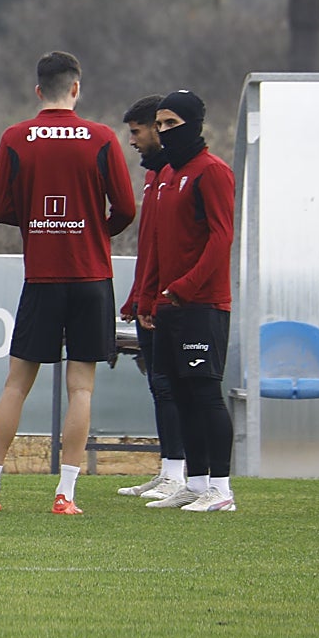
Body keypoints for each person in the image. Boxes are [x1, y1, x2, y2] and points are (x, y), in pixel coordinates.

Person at [0, 51, 134, 515]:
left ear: (38, 90)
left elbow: (2, 209)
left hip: (42, 276)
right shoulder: (102, 138)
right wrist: (91, 231)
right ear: (77, 89)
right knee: (81, 388)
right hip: (91, 277)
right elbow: (125, 208)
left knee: (16, 384)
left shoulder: (15, 138)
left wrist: (38, 226)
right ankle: (65, 493)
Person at [137, 90, 237, 512]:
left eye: (171, 124)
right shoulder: (167, 176)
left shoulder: (212, 172)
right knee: (178, 392)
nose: (163, 132)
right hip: (169, 305)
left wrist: (186, 286)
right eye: (159, 125)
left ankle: (222, 489)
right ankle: (194, 484)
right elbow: (159, 244)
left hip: (203, 304)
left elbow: (221, 237)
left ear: (195, 124)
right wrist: (148, 295)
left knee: (205, 394)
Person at [116, 94, 186, 501]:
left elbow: (175, 247)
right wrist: (136, 295)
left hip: (173, 301)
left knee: (173, 385)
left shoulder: (181, 175)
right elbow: (149, 247)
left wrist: (161, 294)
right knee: (160, 386)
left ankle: (186, 474)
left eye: (137, 132)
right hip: (151, 297)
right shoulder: (155, 177)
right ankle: (169, 469)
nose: (133, 141)